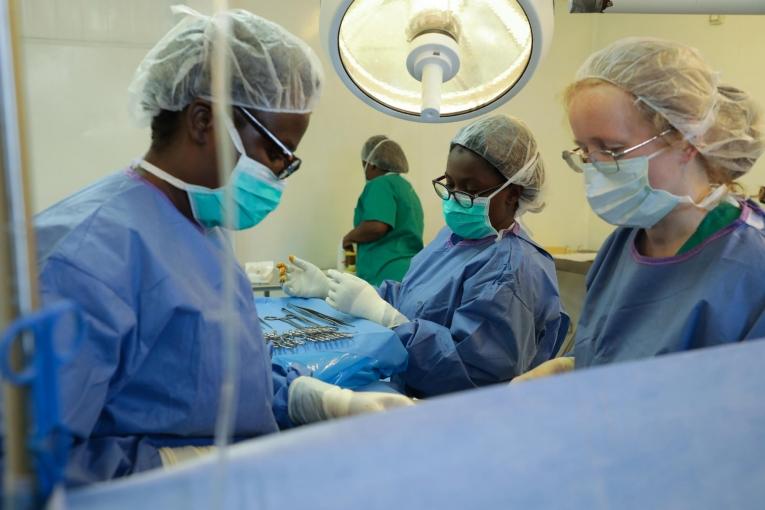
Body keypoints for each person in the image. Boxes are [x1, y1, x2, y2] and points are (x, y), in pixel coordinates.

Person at [33, 7, 411, 485]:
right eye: (276, 153)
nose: (279, 175)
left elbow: (219, 375)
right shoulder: (82, 259)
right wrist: (174, 469)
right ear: (203, 121)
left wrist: (311, 398)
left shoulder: (202, 228)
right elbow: (26, 468)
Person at [521, 37, 765, 379]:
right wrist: (573, 369)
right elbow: (609, 353)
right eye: (585, 150)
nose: (596, 166)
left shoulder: (751, 265)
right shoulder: (623, 245)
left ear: (686, 139)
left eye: (613, 149)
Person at [281, 115, 569, 397]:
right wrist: (329, 289)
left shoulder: (510, 268)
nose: (454, 197)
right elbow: (411, 295)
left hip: (459, 417)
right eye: (450, 184)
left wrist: (388, 319)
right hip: (412, 390)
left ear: (512, 194)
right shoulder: (452, 238)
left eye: (469, 190)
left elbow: (475, 374)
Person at [342, 136, 424, 285]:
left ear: (372, 165)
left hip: (384, 274)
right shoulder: (407, 188)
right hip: (411, 272)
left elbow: (376, 226)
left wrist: (348, 238)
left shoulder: (380, 184)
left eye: (364, 165)